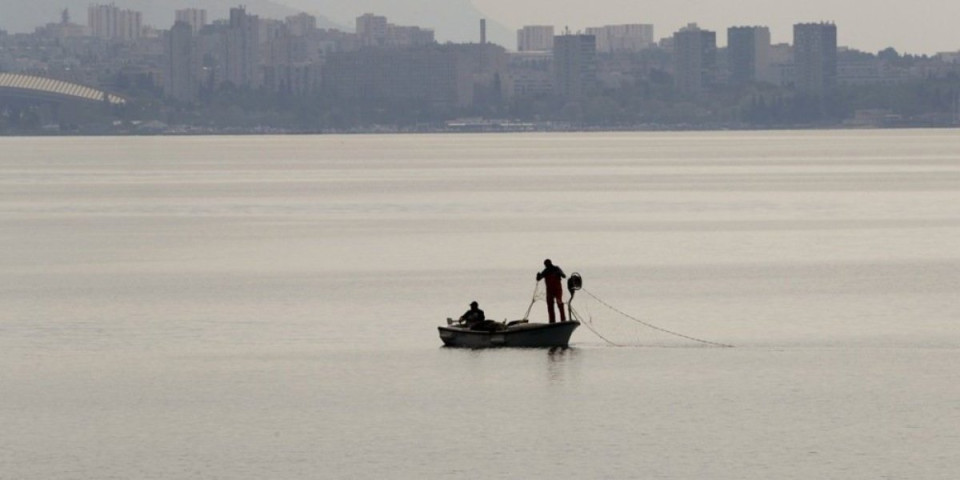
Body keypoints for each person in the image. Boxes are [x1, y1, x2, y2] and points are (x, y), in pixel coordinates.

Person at [536, 259, 567, 323]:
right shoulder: (545, 271)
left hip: (557, 290)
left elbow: (564, 276)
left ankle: (563, 320)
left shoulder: (556, 268)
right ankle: (552, 321)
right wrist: (538, 276)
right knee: (550, 305)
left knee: (559, 303)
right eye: (546, 265)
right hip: (550, 291)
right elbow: (539, 278)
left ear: (550, 263)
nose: (547, 266)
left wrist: (559, 273)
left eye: (547, 264)